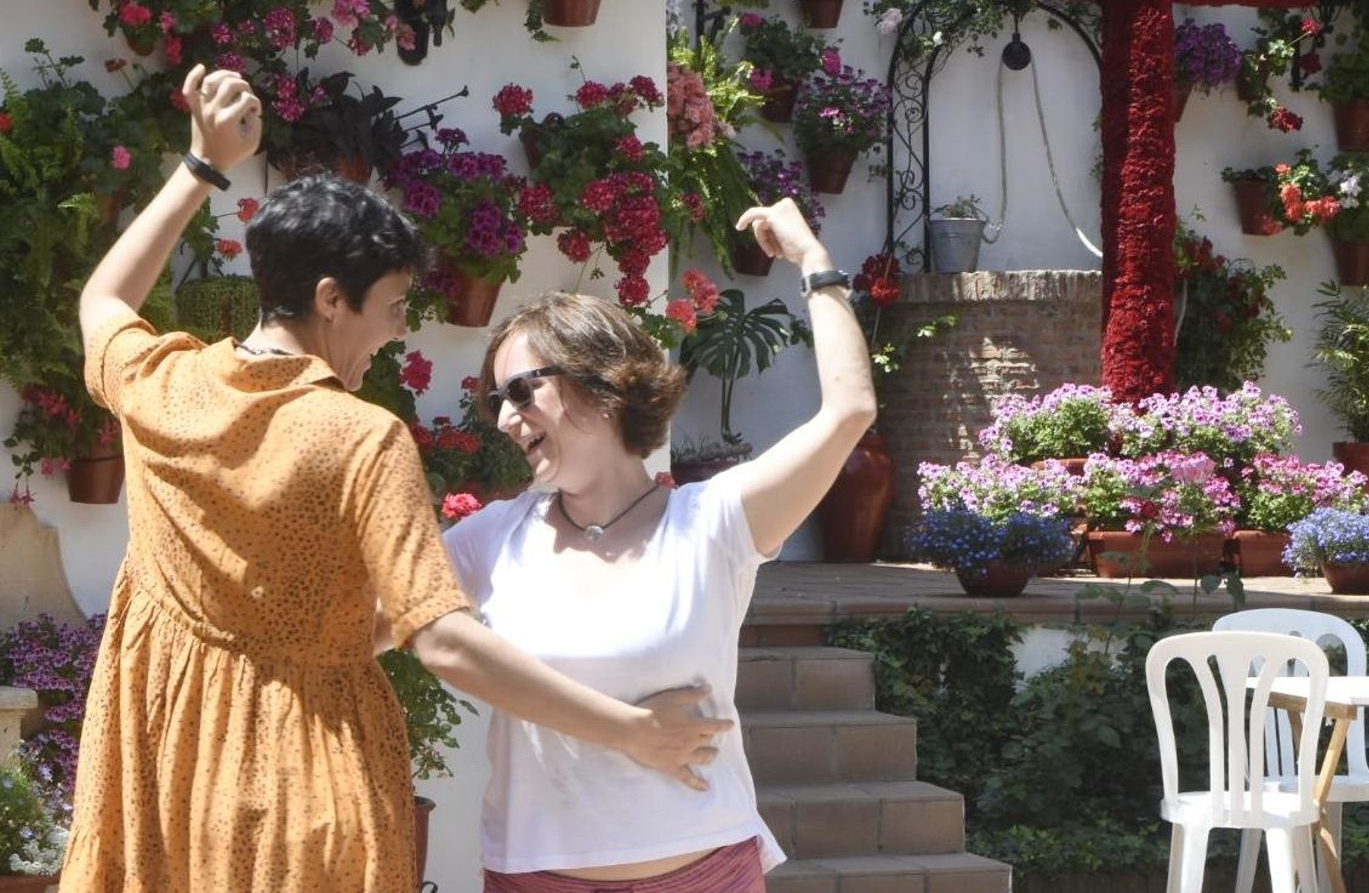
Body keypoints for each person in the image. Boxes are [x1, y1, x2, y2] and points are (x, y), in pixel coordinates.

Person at [62, 65, 731, 893]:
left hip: (168, 775)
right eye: (392, 307)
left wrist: (201, 164)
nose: (396, 331)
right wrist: (629, 730)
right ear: (330, 300)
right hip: (309, 789)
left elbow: (102, 301)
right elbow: (440, 638)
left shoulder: (162, 387)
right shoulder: (361, 438)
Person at [442, 196, 876, 893]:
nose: (505, 420)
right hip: (534, 878)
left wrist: (814, 261)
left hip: (703, 872)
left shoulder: (714, 523)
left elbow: (849, 411)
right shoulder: (488, 539)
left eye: (521, 392)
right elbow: (369, 626)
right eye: (496, 402)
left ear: (600, 383)